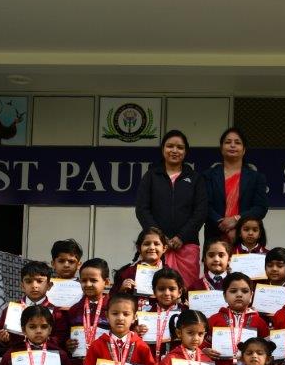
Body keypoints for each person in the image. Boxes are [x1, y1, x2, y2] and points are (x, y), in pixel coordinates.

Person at [135, 130, 208, 286]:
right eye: (170, 146)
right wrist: (161, 238)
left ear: (185, 151)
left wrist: (181, 237)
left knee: (187, 289)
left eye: (180, 147)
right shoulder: (151, 176)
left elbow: (200, 212)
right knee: (155, 288)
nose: (174, 150)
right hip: (157, 246)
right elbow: (142, 209)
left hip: (187, 244)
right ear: (163, 149)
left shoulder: (196, 178)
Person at [205, 127, 269, 244]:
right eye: (228, 142)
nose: (232, 145)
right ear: (221, 148)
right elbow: (204, 206)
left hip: (247, 238)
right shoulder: (208, 176)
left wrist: (237, 220)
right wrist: (223, 224)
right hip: (215, 236)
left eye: (237, 142)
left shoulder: (256, 178)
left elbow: (260, 208)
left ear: (244, 150)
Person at [110, 227, 167, 311]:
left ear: (164, 248)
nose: (152, 247)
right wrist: (121, 290)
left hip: (162, 317)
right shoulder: (127, 273)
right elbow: (111, 301)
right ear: (138, 248)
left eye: (156, 244)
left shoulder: (170, 274)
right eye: (147, 244)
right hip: (133, 317)